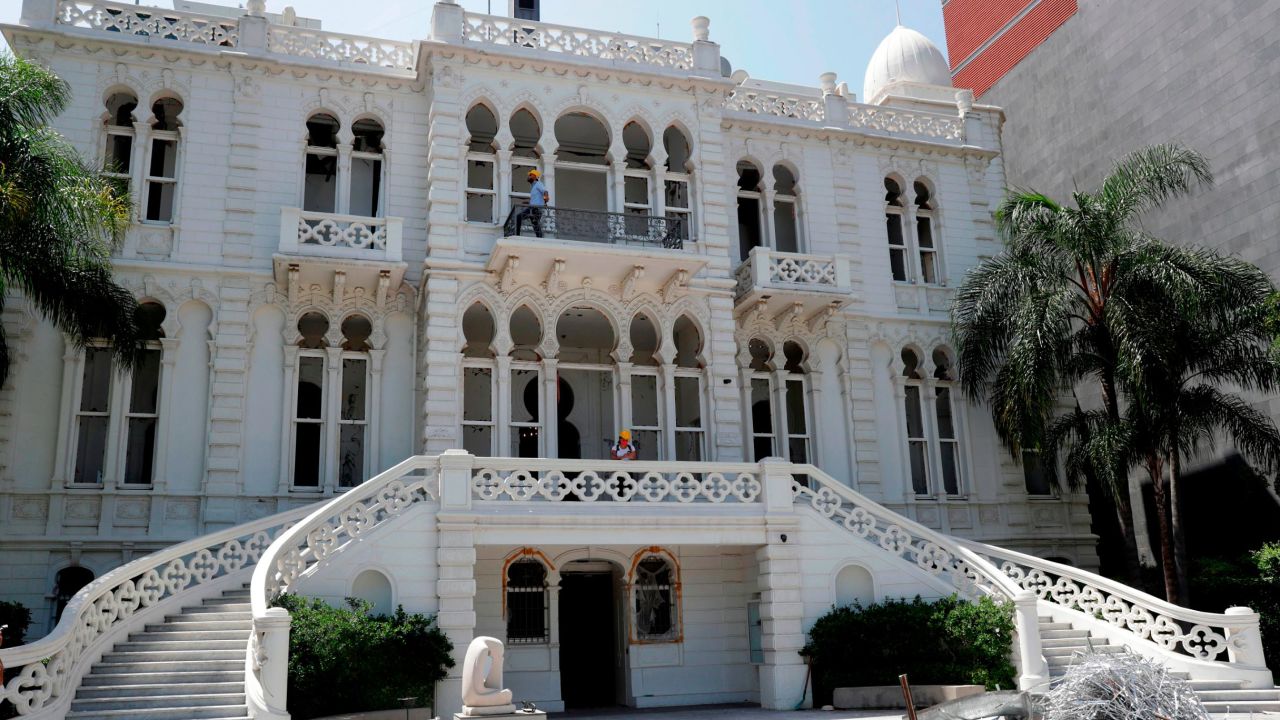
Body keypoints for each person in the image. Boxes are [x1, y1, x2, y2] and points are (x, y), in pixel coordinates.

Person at [515, 169, 549, 238]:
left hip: (535, 208)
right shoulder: (533, 187)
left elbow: (545, 191)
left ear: (535, 176)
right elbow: (536, 199)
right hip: (534, 208)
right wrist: (527, 202)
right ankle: (540, 238)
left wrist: (546, 198)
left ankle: (517, 235)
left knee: (518, 217)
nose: (528, 176)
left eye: (530, 175)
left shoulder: (538, 184)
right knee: (535, 224)